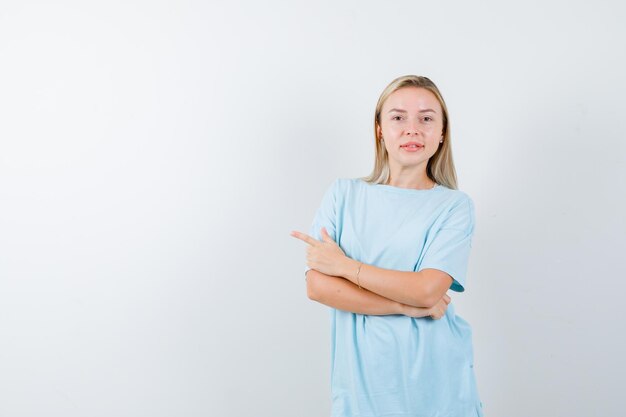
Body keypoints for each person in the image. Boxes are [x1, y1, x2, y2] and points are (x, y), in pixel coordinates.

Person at [290, 75, 484, 416]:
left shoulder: (454, 206)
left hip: (436, 386)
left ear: (442, 133)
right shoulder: (343, 195)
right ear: (380, 129)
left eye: (426, 118)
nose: (413, 129)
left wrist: (345, 267)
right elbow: (318, 287)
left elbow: (427, 291)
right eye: (398, 117)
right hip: (363, 390)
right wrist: (404, 307)